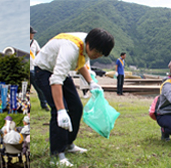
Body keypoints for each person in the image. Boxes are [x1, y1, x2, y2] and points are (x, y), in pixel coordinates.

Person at [33, 28, 114, 166]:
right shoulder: (70, 49)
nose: (97, 56)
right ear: (89, 44)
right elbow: (56, 80)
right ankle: (57, 155)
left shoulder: (86, 43)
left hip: (59, 70)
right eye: (96, 52)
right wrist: (61, 110)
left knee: (76, 106)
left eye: (101, 54)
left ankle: (69, 144)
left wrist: (91, 83)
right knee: (58, 109)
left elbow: (81, 63)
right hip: (44, 70)